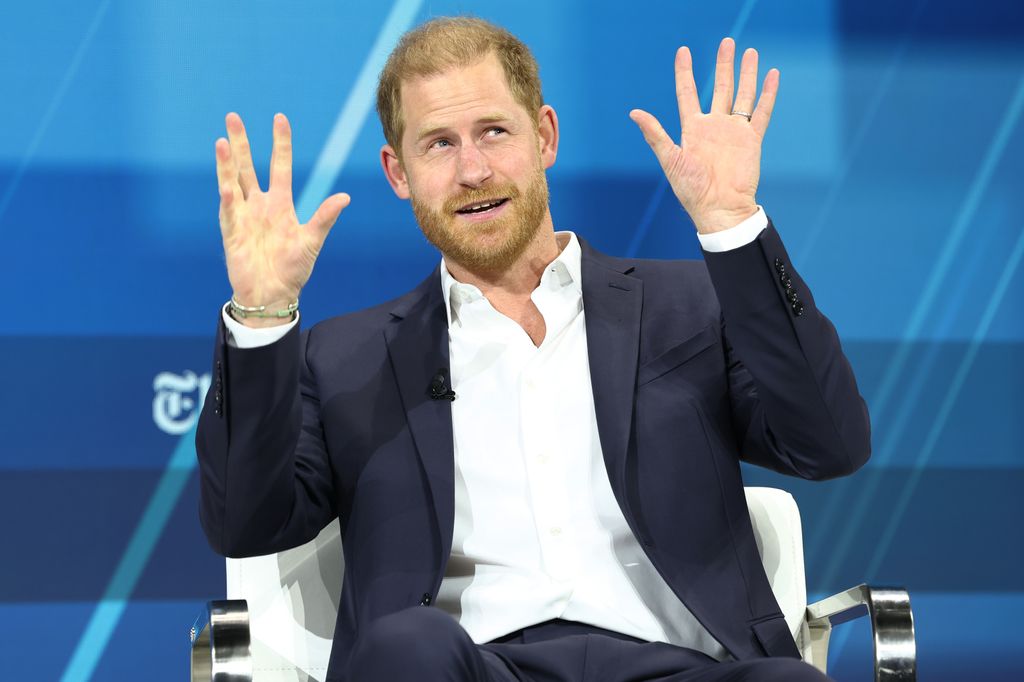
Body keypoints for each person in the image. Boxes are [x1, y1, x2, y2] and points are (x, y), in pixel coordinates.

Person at [197, 16, 870, 682]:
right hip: (466, 668)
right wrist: (261, 313)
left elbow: (829, 444)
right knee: (408, 649)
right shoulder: (346, 357)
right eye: (437, 144)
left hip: (682, 666)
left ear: (544, 135)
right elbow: (246, 526)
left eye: (494, 131)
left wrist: (733, 228)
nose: (473, 169)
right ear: (398, 174)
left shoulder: (689, 307)